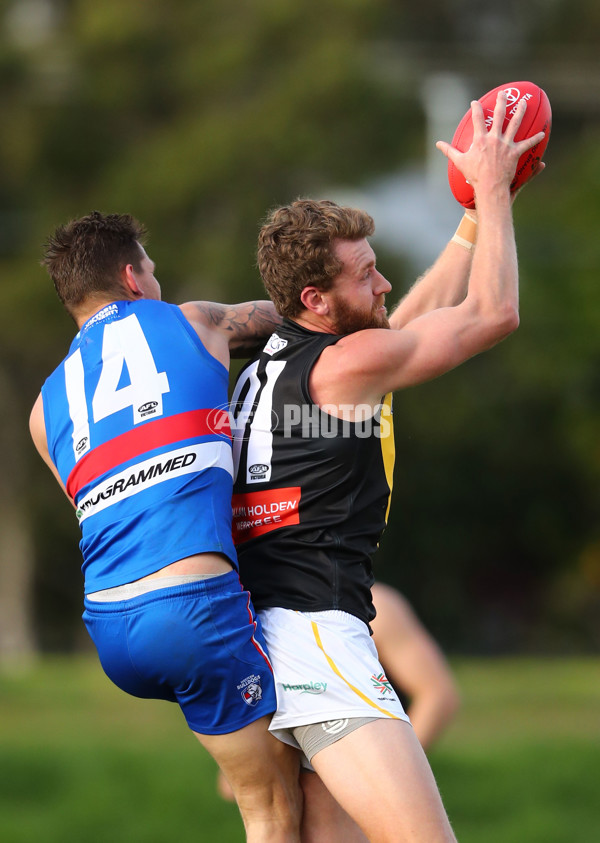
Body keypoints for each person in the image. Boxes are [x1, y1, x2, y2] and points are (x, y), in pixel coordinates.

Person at [228, 92, 546, 842]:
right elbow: (491, 313)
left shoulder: (275, 365)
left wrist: (471, 218)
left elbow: (405, 324)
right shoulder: (345, 367)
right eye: (365, 275)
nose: (384, 285)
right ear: (315, 299)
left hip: (262, 633)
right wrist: (495, 187)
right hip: (316, 635)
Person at [29, 211, 303, 843]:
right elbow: (291, 317)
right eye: (151, 270)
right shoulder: (192, 320)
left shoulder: (44, 410)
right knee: (273, 807)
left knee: (279, 775)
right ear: (132, 277)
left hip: (111, 626)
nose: (156, 279)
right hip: (192, 610)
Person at [217, 580, 460, 801]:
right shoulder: (261, 611)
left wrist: (386, 778)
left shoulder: (377, 606)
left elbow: (437, 695)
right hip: (298, 787)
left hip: (366, 767)